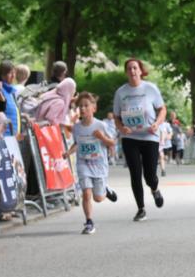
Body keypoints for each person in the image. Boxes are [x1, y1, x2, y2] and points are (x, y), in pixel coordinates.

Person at [113, 58, 167, 222]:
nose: (132, 71)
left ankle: (155, 188)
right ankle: (141, 208)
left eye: (135, 68)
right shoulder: (121, 92)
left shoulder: (150, 88)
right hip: (130, 137)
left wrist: (157, 124)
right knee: (135, 173)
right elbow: (116, 117)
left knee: (149, 175)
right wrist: (122, 128)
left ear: (141, 70)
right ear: (126, 72)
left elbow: (162, 109)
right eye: (129, 68)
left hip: (150, 136)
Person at [69, 93, 118, 234]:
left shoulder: (101, 125)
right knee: (86, 193)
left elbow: (112, 143)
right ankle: (89, 222)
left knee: (98, 198)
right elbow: (77, 143)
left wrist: (101, 137)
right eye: (80, 106)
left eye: (86, 106)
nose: (83, 109)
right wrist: (68, 152)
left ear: (93, 108)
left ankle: (105, 190)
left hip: (99, 165)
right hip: (83, 164)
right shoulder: (77, 127)